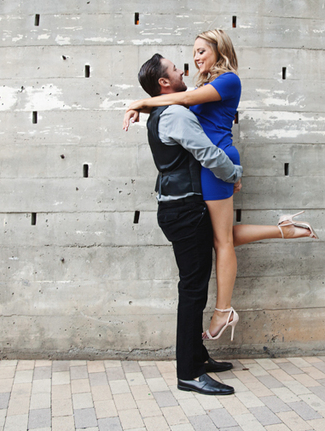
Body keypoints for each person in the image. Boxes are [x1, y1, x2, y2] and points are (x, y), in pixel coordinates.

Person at [124, 30, 318, 343]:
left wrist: (140, 101)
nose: (196, 58)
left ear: (219, 50)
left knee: (221, 242)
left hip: (217, 162)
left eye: (202, 50)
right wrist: (141, 108)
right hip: (209, 165)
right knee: (219, 236)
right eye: (194, 52)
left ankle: (223, 311)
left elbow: (184, 100)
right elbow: (178, 105)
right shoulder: (204, 86)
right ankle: (284, 229)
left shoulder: (228, 80)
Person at [135, 53, 237, 395]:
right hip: (186, 210)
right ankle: (189, 373)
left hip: (174, 208)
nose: (183, 71)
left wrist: (142, 105)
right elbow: (206, 153)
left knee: (193, 288)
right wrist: (234, 173)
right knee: (193, 292)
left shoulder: (159, 114)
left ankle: (199, 355)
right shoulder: (176, 113)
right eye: (176, 70)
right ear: (165, 83)